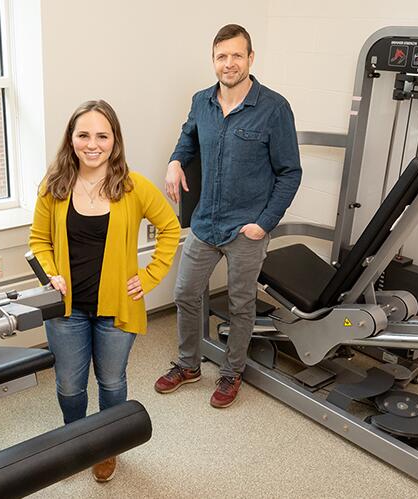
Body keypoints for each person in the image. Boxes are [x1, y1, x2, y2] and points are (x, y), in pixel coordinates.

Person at [29, 99, 180, 482]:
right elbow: (39, 241)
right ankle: (78, 441)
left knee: (112, 382)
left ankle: (108, 446)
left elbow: (171, 230)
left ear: (114, 140)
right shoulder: (54, 186)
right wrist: (50, 275)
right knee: (69, 384)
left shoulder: (132, 186)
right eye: (83, 135)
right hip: (67, 311)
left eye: (102, 135)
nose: (92, 144)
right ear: (71, 138)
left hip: (118, 309)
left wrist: (148, 278)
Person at [154, 24, 301, 408]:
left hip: (246, 228)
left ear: (251, 59)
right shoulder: (201, 101)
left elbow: (290, 172)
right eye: (222, 56)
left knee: (240, 304)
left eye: (237, 55)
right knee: (185, 292)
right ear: (213, 60)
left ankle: (232, 372)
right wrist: (174, 162)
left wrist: (264, 223)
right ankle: (188, 365)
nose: (229, 63)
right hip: (206, 222)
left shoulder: (274, 108)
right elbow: (187, 138)